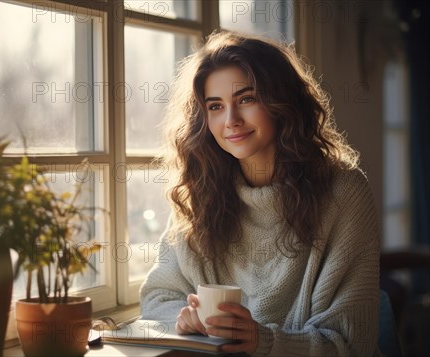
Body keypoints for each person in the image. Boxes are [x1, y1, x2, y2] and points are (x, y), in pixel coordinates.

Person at [140, 31, 381, 356]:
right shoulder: (199, 192)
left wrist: (263, 342)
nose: (231, 121)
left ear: (282, 102)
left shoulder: (344, 192)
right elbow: (157, 298)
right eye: (215, 106)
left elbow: (352, 343)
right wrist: (187, 321)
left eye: (246, 99)